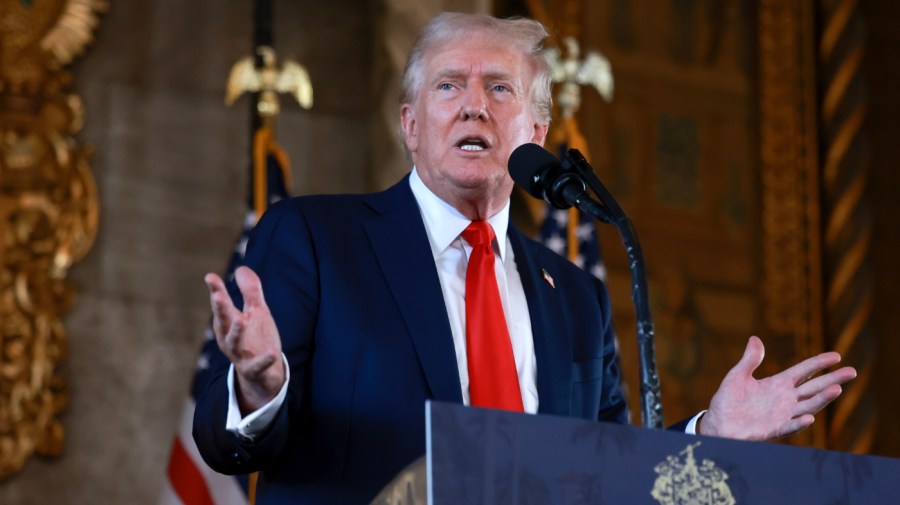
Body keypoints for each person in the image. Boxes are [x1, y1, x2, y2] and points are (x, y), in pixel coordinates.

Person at [193, 12, 857, 504]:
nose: (475, 105)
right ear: (411, 123)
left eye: (500, 89)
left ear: (535, 133)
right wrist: (259, 381)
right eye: (450, 86)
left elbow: (610, 473)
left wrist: (708, 432)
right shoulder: (316, 238)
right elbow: (230, 447)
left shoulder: (574, 296)